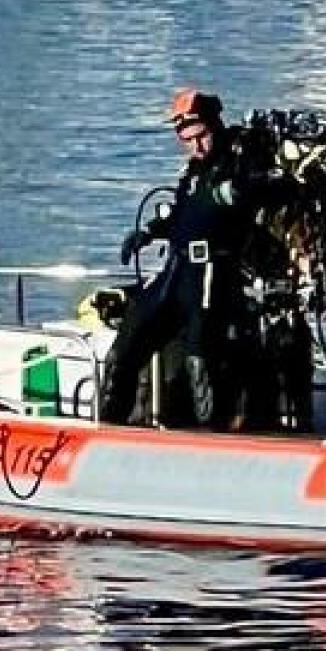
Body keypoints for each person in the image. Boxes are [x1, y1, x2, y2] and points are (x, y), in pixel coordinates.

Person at [99, 90, 251, 428]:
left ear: (214, 125)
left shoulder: (239, 162)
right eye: (187, 140)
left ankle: (211, 435)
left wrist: (238, 192)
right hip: (176, 269)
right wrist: (149, 233)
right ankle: (108, 424)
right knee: (127, 343)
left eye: (201, 137)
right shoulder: (193, 173)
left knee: (200, 357)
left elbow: (262, 192)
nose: (196, 147)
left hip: (211, 270)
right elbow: (182, 214)